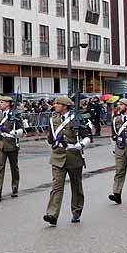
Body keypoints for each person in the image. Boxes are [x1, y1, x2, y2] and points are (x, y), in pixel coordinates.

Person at [43, 96, 93, 226]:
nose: (55, 105)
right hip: (57, 155)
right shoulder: (52, 119)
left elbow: (87, 136)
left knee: (76, 186)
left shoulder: (77, 118)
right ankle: (52, 214)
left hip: (73, 156)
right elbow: (50, 138)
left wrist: (81, 145)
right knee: (56, 186)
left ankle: (76, 211)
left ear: (65, 106)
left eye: (57, 104)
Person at [0, 95, 24, 201]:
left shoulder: (16, 114)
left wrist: (15, 132)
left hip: (11, 143)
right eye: (0, 102)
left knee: (14, 167)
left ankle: (14, 188)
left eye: (2, 102)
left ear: (8, 103)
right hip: (0, 143)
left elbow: (21, 129)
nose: (0, 104)